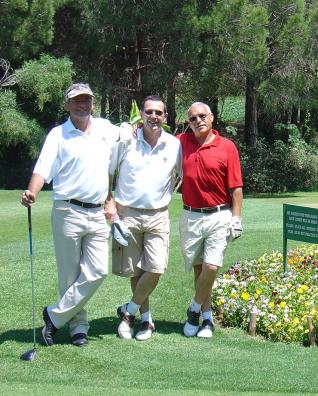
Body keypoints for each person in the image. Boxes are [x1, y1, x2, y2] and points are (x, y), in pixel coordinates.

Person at [20, 83, 120, 347]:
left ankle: (53, 317)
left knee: (98, 271)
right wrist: (32, 192)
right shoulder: (58, 135)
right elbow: (43, 169)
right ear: (67, 105)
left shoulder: (105, 129)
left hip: (97, 212)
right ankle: (78, 328)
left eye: (86, 99)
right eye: (76, 100)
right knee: (69, 276)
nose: (82, 104)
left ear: (92, 102)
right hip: (68, 211)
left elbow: (129, 135)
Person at [107, 95, 181, 341]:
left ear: (166, 117)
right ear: (142, 115)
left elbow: (180, 174)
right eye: (149, 112)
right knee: (136, 272)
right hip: (128, 213)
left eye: (158, 113)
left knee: (156, 268)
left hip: (158, 215)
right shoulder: (127, 140)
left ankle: (128, 312)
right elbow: (110, 172)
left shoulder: (173, 145)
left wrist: (170, 192)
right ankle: (146, 320)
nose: (154, 117)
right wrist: (111, 203)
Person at [178, 102, 243, 339]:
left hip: (219, 215)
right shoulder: (181, 143)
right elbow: (156, 140)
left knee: (211, 266)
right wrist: (133, 129)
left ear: (212, 117)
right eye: (193, 118)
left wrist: (236, 218)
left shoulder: (227, 147)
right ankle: (206, 319)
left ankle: (193, 307)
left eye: (202, 116)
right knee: (199, 269)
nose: (198, 121)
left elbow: (236, 188)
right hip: (191, 215)